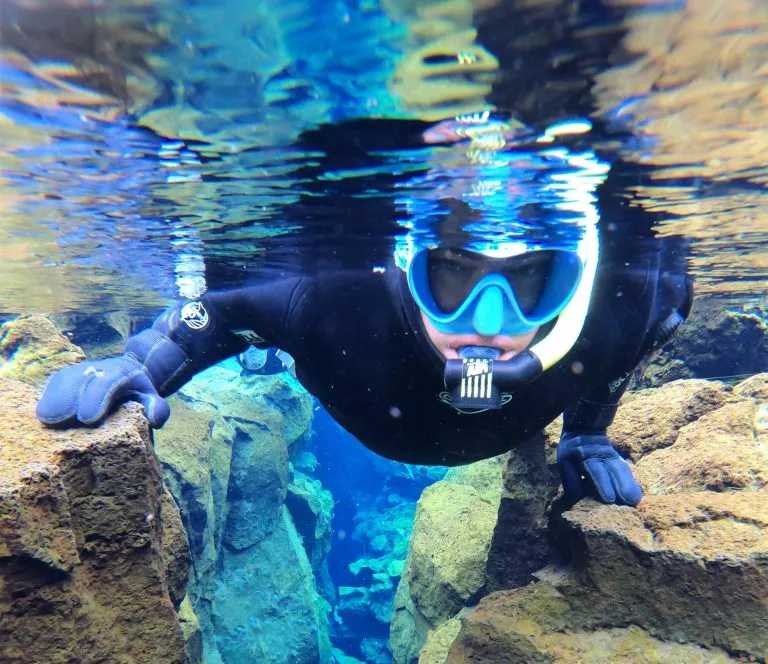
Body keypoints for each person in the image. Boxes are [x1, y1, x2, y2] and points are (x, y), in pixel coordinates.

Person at [36, 113, 691, 506]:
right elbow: (210, 314)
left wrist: (588, 429)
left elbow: (619, 353)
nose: (488, 327)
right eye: (454, 277)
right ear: (409, 263)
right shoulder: (327, 300)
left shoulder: (628, 306)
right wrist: (140, 362)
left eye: (530, 286)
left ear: (570, 285)